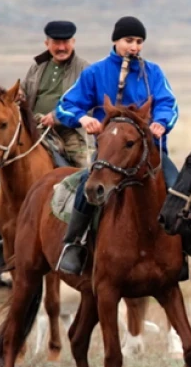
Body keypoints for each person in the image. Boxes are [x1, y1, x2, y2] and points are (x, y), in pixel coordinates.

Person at [55, 16, 181, 275]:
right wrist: (83, 118)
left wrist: (161, 122)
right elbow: (65, 105)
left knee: (179, 188)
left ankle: (184, 251)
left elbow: (169, 103)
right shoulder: (96, 72)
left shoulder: (153, 72)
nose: (134, 47)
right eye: (128, 41)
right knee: (86, 188)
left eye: (138, 42)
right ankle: (74, 245)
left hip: (149, 155)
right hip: (110, 155)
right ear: (115, 41)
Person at [21, 20, 90, 167]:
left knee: (83, 168)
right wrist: (17, 94)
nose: (61, 48)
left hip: (67, 132)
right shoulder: (37, 66)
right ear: (47, 44)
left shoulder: (85, 69)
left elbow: (88, 103)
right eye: (56, 43)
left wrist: (57, 117)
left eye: (65, 42)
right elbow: (24, 89)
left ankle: (81, 188)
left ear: (73, 42)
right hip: (33, 127)